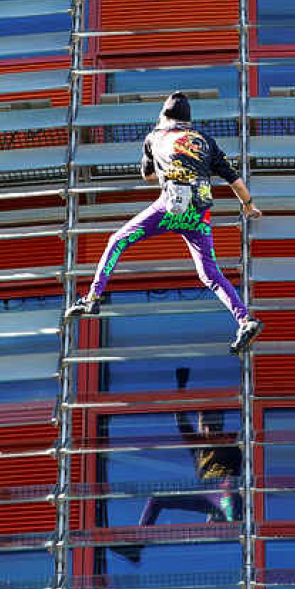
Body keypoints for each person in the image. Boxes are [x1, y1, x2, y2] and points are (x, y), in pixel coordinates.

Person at [65, 91, 264, 354]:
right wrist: (249, 206)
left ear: (165, 115)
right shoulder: (205, 140)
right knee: (210, 274)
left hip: (170, 206)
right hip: (199, 212)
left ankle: (92, 298)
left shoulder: (154, 137)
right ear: (188, 120)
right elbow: (234, 179)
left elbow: (147, 176)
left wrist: (162, 165)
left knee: (117, 241)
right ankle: (245, 320)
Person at [113, 368, 242, 564]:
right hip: (207, 494)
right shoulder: (198, 445)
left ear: (221, 421)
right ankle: (137, 546)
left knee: (229, 491)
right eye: (204, 420)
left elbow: (252, 431)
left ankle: (236, 528)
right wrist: (180, 387)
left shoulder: (233, 440)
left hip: (227, 489)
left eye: (213, 418)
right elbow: (180, 417)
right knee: (157, 498)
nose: (207, 424)